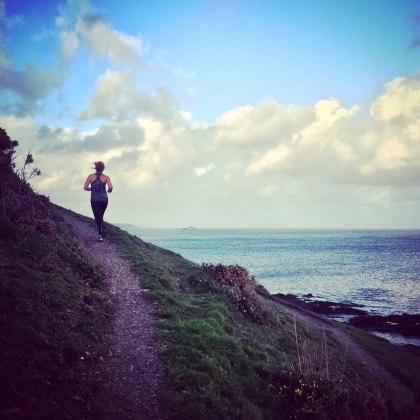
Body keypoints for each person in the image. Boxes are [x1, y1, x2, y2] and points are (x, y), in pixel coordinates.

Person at [84, 161, 113, 242]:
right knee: (100, 216)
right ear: (103, 168)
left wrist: (92, 189)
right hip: (104, 199)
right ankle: (102, 231)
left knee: (98, 217)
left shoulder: (90, 176)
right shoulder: (106, 177)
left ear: (95, 168)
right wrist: (109, 190)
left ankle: (100, 235)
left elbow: (85, 187)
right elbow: (110, 187)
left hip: (94, 199)